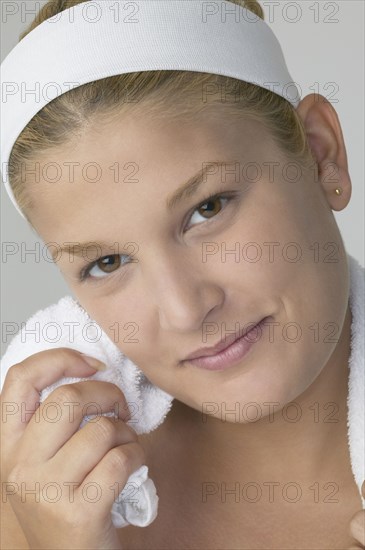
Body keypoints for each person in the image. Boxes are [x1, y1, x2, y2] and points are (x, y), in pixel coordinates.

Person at [0, 0, 364, 548]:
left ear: (320, 154)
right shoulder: (35, 508)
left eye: (208, 209)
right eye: (107, 263)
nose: (185, 309)